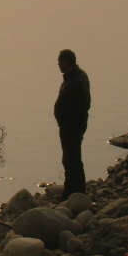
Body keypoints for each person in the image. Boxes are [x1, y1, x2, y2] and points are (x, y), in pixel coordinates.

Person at [54, 48, 90, 198]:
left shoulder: (75, 82)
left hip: (72, 127)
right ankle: (72, 189)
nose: (58, 65)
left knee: (71, 159)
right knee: (70, 158)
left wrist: (64, 123)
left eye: (60, 62)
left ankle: (76, 191)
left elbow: (78, 108)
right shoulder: (78, 76)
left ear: (66, 63)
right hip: (73, 125)